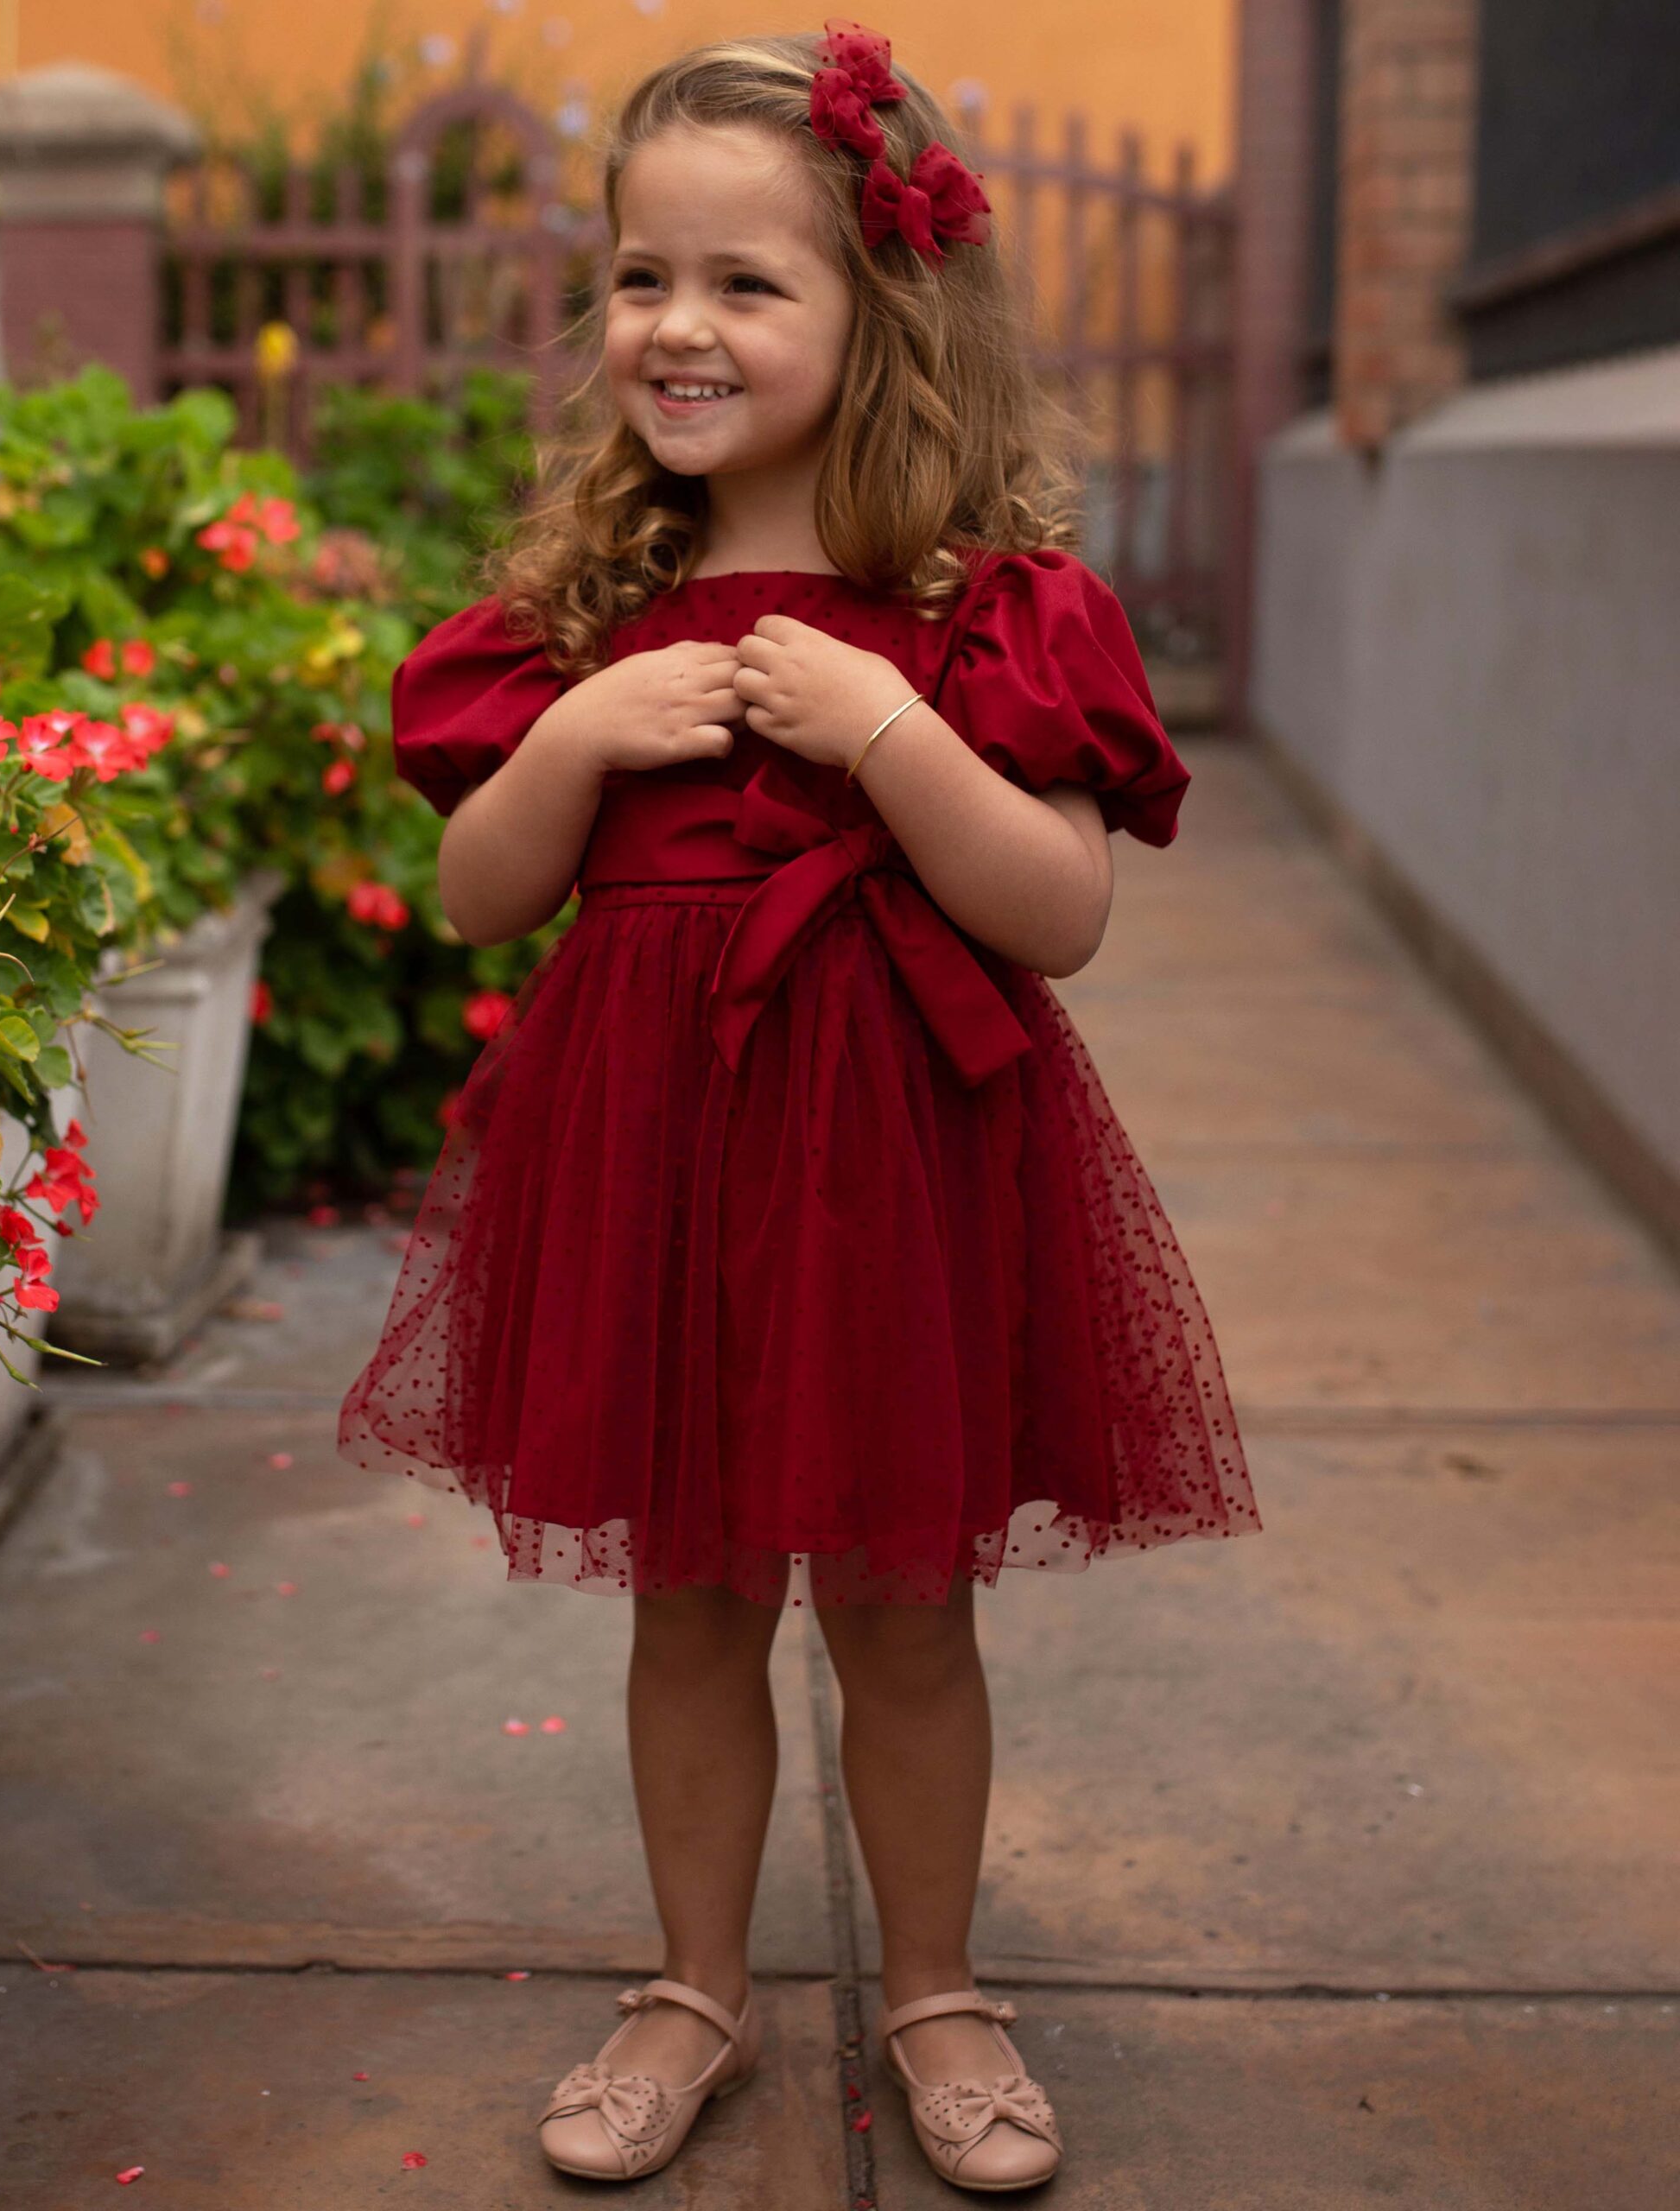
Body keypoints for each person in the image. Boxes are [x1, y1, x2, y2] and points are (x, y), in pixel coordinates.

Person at [336, 18, 1261, 2193]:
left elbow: (1055, 913)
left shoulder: (981, 608)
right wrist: (576, 737)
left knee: (900, 1602)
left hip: (896, 1159)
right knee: (688, 1592)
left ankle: (934, 1987)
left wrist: (880, 731)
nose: (676, 324)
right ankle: (692, 1985)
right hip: (658, 1155)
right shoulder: (580, 614)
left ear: (883, 312)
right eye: (640, 276)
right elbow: (482, 895)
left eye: (744, 281)